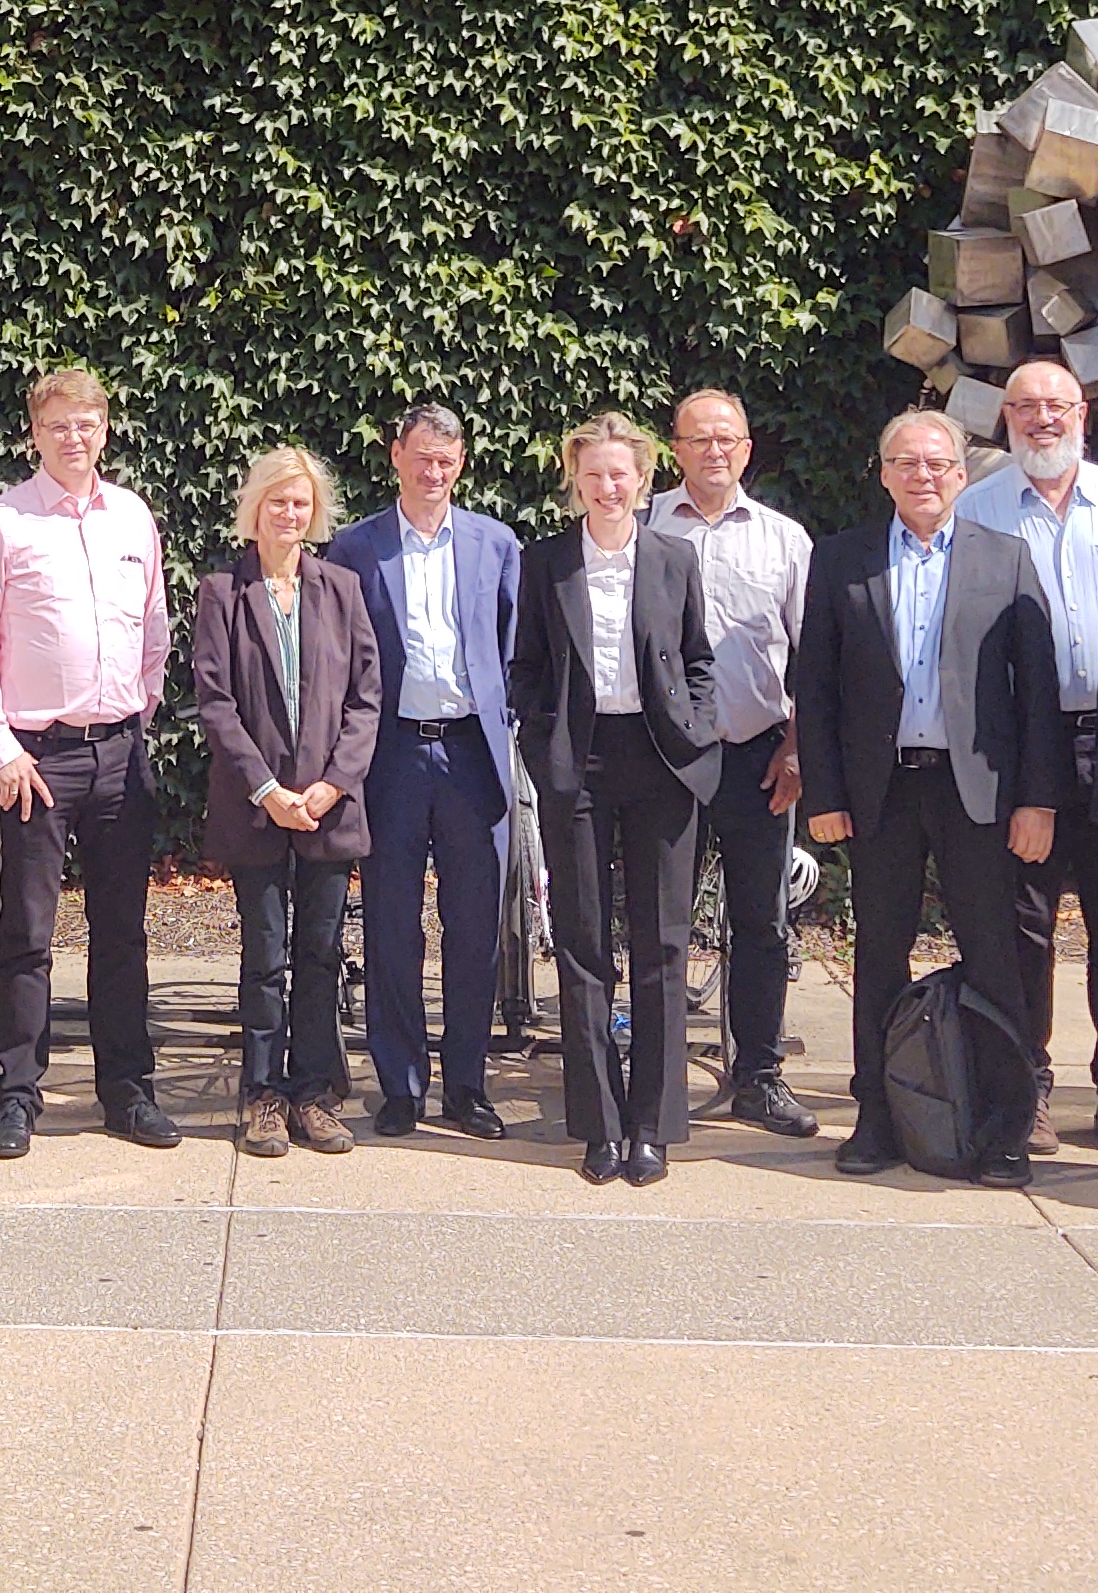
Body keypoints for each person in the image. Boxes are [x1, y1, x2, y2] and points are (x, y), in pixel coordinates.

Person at [795, 407, 1063, 1189]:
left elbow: (1035, 695)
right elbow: (815, 687)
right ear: (882, 473)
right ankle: (878, 1117)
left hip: (975, 792)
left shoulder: (1004, 557)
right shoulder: (842, 560)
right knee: (877, 954)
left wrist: (1037, 801)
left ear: (959, 476)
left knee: (995, 956)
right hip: (881, 791)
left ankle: (1006, 1127)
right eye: (905, 463)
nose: (921, 476)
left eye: (936, 464)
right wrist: (826, 792)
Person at [0, 365, 179, 1161]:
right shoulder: (1, 524)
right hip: (34, 760)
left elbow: (154, 625)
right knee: (25, 933)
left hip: (119, 752)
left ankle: (127, 1090)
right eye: (57, 427)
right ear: (35, 434)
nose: (73, 439)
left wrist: (136, 715)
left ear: (104, 429)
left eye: (86, 425)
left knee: (123, 933)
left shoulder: (133, 519)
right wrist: (1, 749)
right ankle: (17, 1093)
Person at [956, 359, 1098, 1158]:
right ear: (1005, 419)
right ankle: (1031, 1088)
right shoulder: (978, 509)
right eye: (1026, 407)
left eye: (1057, 406)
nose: (1043, 419)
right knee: (1026, 926)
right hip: (1020, 744)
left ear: (1082, 413)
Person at [510, 413, 718, 1186]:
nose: (607, 486)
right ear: (577, 480)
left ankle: (654, 1126)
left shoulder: (673, 557)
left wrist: (697, 730)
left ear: (643, 479)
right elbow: (525, 664)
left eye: (620, 473)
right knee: (583, 947)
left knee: (662, 945)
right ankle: (597, 1125)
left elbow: (699, 658)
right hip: (580, 765)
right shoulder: (547, 563)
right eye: (593, 474)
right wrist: (545, 747)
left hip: (662, 762)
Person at [331, 404, 522, 1139]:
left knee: (475, 928)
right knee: (390, 923)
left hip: (473, 752)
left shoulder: (495, 544)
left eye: (446, 460)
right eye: (421, 458)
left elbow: (511, 649)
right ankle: (402, 1085)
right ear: (396, 457)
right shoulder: (356, 548)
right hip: (393, 756)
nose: (433, 472)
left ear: (461, 462)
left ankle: (468, 1086)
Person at [191, 449, 381, 1157]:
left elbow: (367, 696)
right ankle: (263, 1094)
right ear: (255, 508)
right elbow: (215, 702)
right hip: (256, 807)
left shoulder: (341, 589)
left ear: (315, 512)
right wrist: (267, 791)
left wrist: (333, 784)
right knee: (265, 955)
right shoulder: (222, 593)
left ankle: (312, 1094)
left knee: (322, 953)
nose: (289, 514)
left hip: (329, 806)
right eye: (277, 502)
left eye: (300, 503)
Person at [651, 388, 816, 1138]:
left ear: (747, 450)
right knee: (660, 923)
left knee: (763, 922)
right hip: (663, 758)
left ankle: (760, 1075)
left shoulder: (785, 541)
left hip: (757, 757)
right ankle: (654, 1075)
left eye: (727, 439)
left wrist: (797, 749)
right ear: (675, 449)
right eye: (698, 439)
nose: (714, 451)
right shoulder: (641, 526)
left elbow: (813, 658)